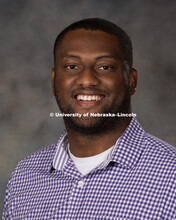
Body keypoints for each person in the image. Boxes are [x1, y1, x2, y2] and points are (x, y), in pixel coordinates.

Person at [3, 18, 175, 220]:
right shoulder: (24, 176)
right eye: (72, 66)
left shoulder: (171, 176)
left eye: (104, 67)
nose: (87, 80)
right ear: (53, 80)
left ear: (131, 80)